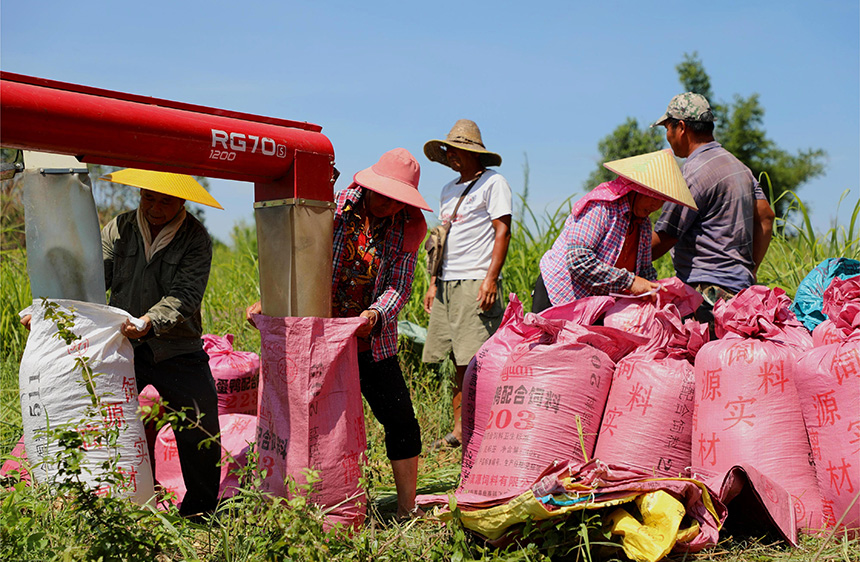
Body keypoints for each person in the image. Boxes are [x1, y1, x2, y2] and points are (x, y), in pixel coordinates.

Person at [246, 148, 429, 520]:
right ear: (368, 186)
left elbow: (399, 286)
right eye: (382, 195)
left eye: (396, 201)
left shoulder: (407, 227)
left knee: (400, 421)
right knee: (307, 420)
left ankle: (406, 508)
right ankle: (294, 501)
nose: (387, 205)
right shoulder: (335, 207)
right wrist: (274, 298)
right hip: (318, 335)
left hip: (369, 340)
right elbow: (299, 251)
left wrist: (374, 314)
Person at [101, 169, 223, 517]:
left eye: (165, 201)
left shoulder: (195, 238)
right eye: (148, 197)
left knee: (200, 428)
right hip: (125, 345)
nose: (155, 207)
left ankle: (200, 514)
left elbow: (186, 295)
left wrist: (149, 322)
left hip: (178, 349)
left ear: (182, 201)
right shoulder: (120, 227)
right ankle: (118, 507)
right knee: (109, 421)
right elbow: (96, 277)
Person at [421, 119, 512, 450]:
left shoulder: (493, 183)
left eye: (457, 150)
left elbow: (502, 231)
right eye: (448, 150)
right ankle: (460, 431)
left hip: (476, 279)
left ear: (474, 153)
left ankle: (483, 432)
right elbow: (441, 240)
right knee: (452, 358)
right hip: (447, 282)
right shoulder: (448, 190)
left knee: (475, 359)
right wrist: (433, 282)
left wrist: (490, 279)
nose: (450, 155)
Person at [650, 92, 776, 324]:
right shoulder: (739, 167)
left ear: (681, 127)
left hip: (705, 295)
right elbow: (766, 217)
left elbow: (666, 236)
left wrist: (621, 264)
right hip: (741, 294)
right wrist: (749, 270)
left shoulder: (693, 172)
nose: (667, 136)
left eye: (667, 128)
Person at [534, 150, 696, 311]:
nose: (655, 206)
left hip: (595, 303)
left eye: (661, 200)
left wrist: (656, 291)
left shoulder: (644, 226)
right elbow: (578, 260)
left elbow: (644, 270)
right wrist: (630, 282)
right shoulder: (601, 207)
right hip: (560, 294)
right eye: (652, 197)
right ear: (636, 190)